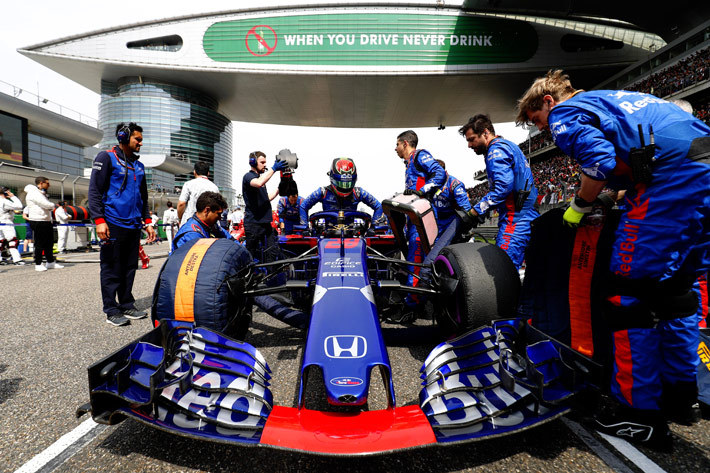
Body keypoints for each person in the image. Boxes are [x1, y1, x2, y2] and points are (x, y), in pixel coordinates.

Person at [516, 69, 710, 449]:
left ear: (548, 102)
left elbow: (599, 163)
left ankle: (638, 415)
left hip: (673, 182)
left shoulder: (565, 113)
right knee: (676, 294)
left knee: (626, 295)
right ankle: (681, 397)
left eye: (537, 120)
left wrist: (579, 205)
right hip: (701, 172)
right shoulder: (616, 99)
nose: (542, 129)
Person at [172, 191, 306, 329]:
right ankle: (305, 322)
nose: (220, 218)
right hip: (192, 290)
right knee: (252, 291)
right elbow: (198, 271)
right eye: (218, 214)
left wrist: (248, 261)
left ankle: (301, 314)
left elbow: (232, 241)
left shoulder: (209, 225)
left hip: (207, 279)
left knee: (256, 282)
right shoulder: (191, 234)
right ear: (207, 210)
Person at [89, 122, 155, 327]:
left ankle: (126, 303)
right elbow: (94, 191)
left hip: (134, 225)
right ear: (124, 137)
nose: (141, 143)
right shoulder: (106, 158)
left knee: (129, 267)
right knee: (111, 267)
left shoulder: (139, 165)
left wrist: (147, 221)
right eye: (138, 139)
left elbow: (143, 197)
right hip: (113, 222)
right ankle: (110, 309)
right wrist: (99, 220)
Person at [458, 114, 539, 270]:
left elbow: (502, 188)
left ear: (486, 133)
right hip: (525, 214)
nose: (469, 145)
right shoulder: (507, 145)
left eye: (472, 139)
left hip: (516, 219)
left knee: (502, 271)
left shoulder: (496, 150)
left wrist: (475, 211)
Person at [394, 130, 447, 315]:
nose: (396, 148)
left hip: (422, 220)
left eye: (398, 144)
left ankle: (412, 307)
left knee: (415, 263)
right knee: (415, 262)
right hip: (413, 220)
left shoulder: (420, 156)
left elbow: (439, 174)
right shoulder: (409, 164)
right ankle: (420, 304)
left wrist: (421, 191)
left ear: (406, 144)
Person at [418, 160, 473, 283]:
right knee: (425, 253)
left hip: (452, 222)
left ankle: (427, 281)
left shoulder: (454, 184)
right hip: (437, 222)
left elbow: (466, 210)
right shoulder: (430, 186)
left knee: (433, 258)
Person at [299, 158, 384, 228]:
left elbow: (378, 206)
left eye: (348, 183)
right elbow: (303, 206)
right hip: (327, 234)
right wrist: (304, 226)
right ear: (332, 178)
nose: (345, 187)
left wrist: (374, 226)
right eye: (341, 183)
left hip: (352, 235)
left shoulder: (358, 192)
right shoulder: (323, 192)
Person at [242, 151, 287, 263]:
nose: (264, 165)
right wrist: (274, 168)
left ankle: (271, 277)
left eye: (265, 162)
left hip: (265, 223)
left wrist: (278, 190)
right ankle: (249, 278)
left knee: (271, 252)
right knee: (250, 254)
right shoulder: (249, 177)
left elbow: (266, 198)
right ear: (252, 162)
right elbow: (258, 183)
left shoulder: (260, 179)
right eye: (262, 162)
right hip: (253, 224)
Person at [24, 177, 63, 272]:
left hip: (46, 220)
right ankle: (38, 263)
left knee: (49, 242)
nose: (49, 185)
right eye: (47, 183)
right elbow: (46, 204)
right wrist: (53, 205)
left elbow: (46, 205)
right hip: (38, 220)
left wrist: (49, 205)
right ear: (41, 183)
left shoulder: (40, 193)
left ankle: (50, 262)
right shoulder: (34, 193)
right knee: (40, 243)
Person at [177, 161, 219, 227]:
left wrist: (180, 218)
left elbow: (181, 204)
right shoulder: (215, 187)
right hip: (208, 225)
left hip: (190, 223)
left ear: (194, 172)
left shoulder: (188, 184)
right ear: (208, 173)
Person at [0, 187, 25, 265]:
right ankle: (17, 259)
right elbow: (19, 206)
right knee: (12, 241)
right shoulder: (4, 201)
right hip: (6, 222)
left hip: (1, 222)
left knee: (1, 242)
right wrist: (13, 197)